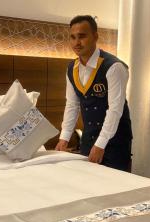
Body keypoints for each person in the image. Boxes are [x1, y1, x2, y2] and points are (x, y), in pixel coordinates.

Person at [55, 15, 133, 171]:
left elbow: (115, 110)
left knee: (116, 189)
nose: (77, 42)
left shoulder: (114, 67)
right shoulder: (72, 69)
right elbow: (72, 105)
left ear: (95, 36)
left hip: (114, 142)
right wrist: (64, 138)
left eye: (82, 36)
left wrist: (100, 144)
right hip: (88, 139)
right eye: (73, 37)